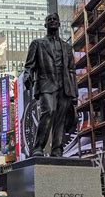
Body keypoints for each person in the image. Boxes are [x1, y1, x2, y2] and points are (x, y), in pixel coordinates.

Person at [23, 12, 78, 157]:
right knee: (49, 112)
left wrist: (74, 94)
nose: (53, 21)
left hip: (64, 86)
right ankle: (38, 147)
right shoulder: (38, 44)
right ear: (45, 25)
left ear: (59, 24)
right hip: (46, 83)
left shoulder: (67, 47)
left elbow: (72, 71)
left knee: (60, 118)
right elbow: (29, 66)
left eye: (55, 20)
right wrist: (27, 75)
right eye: (50, 20)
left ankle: (57, 149)